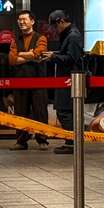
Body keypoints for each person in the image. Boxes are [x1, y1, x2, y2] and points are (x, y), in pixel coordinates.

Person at [40, 10, 83, 155]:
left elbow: (72, 58)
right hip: (66, 79)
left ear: (62, 22)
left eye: (55, 26)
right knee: (64, 111)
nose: (55, 29)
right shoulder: (68, 35)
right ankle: (71, 142)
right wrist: (54, 54)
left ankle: (71, 143)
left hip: (70, 80)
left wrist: (53, 57)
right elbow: (67, 55)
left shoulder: (73, 36)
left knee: (65, 112)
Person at [8, 11, 49, 151]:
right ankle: (21, 141)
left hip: (38, 81)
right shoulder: (15, 40)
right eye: (19, 20)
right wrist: (30, 55)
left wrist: (21, 54)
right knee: (20, 113)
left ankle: (42, 140)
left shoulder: (40, 37)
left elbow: (39, 53)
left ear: (32, 21)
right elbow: (12, 60)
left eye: (24, 19)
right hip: (20, 82)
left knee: (40, 111)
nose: (21, 22)